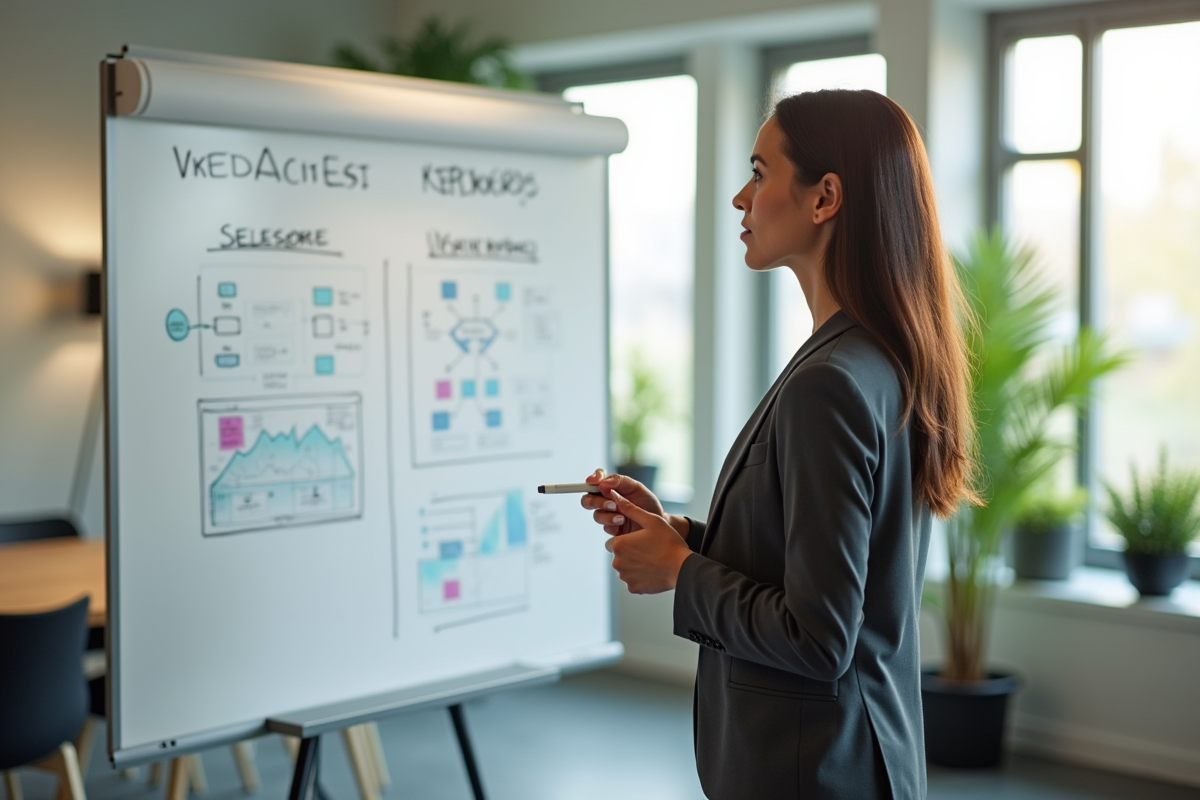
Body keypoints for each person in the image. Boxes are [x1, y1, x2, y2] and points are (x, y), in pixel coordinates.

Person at [580, 89, 976, 800]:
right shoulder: (875, 361)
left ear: (825, 197)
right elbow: (825, 576)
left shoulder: (830, 383)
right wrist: (684, 537)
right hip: (855, 760)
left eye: (759, 172)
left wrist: (680, 571)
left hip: (813, 774)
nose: (739, 197)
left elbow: (818, 638)